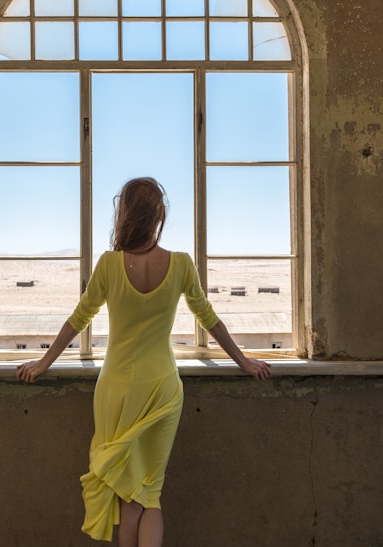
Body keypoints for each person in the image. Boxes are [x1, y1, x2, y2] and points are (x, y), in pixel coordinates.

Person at [16, 177, 272, 546]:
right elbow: (209, 318)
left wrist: (43, 363)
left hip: (116, 390)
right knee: (149, 493)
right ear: (159, 215)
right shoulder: (181, 264)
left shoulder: (108, 265)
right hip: (162, 389)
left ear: (124, 215)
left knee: (126, 497)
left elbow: (78, 319)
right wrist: (243, 361)